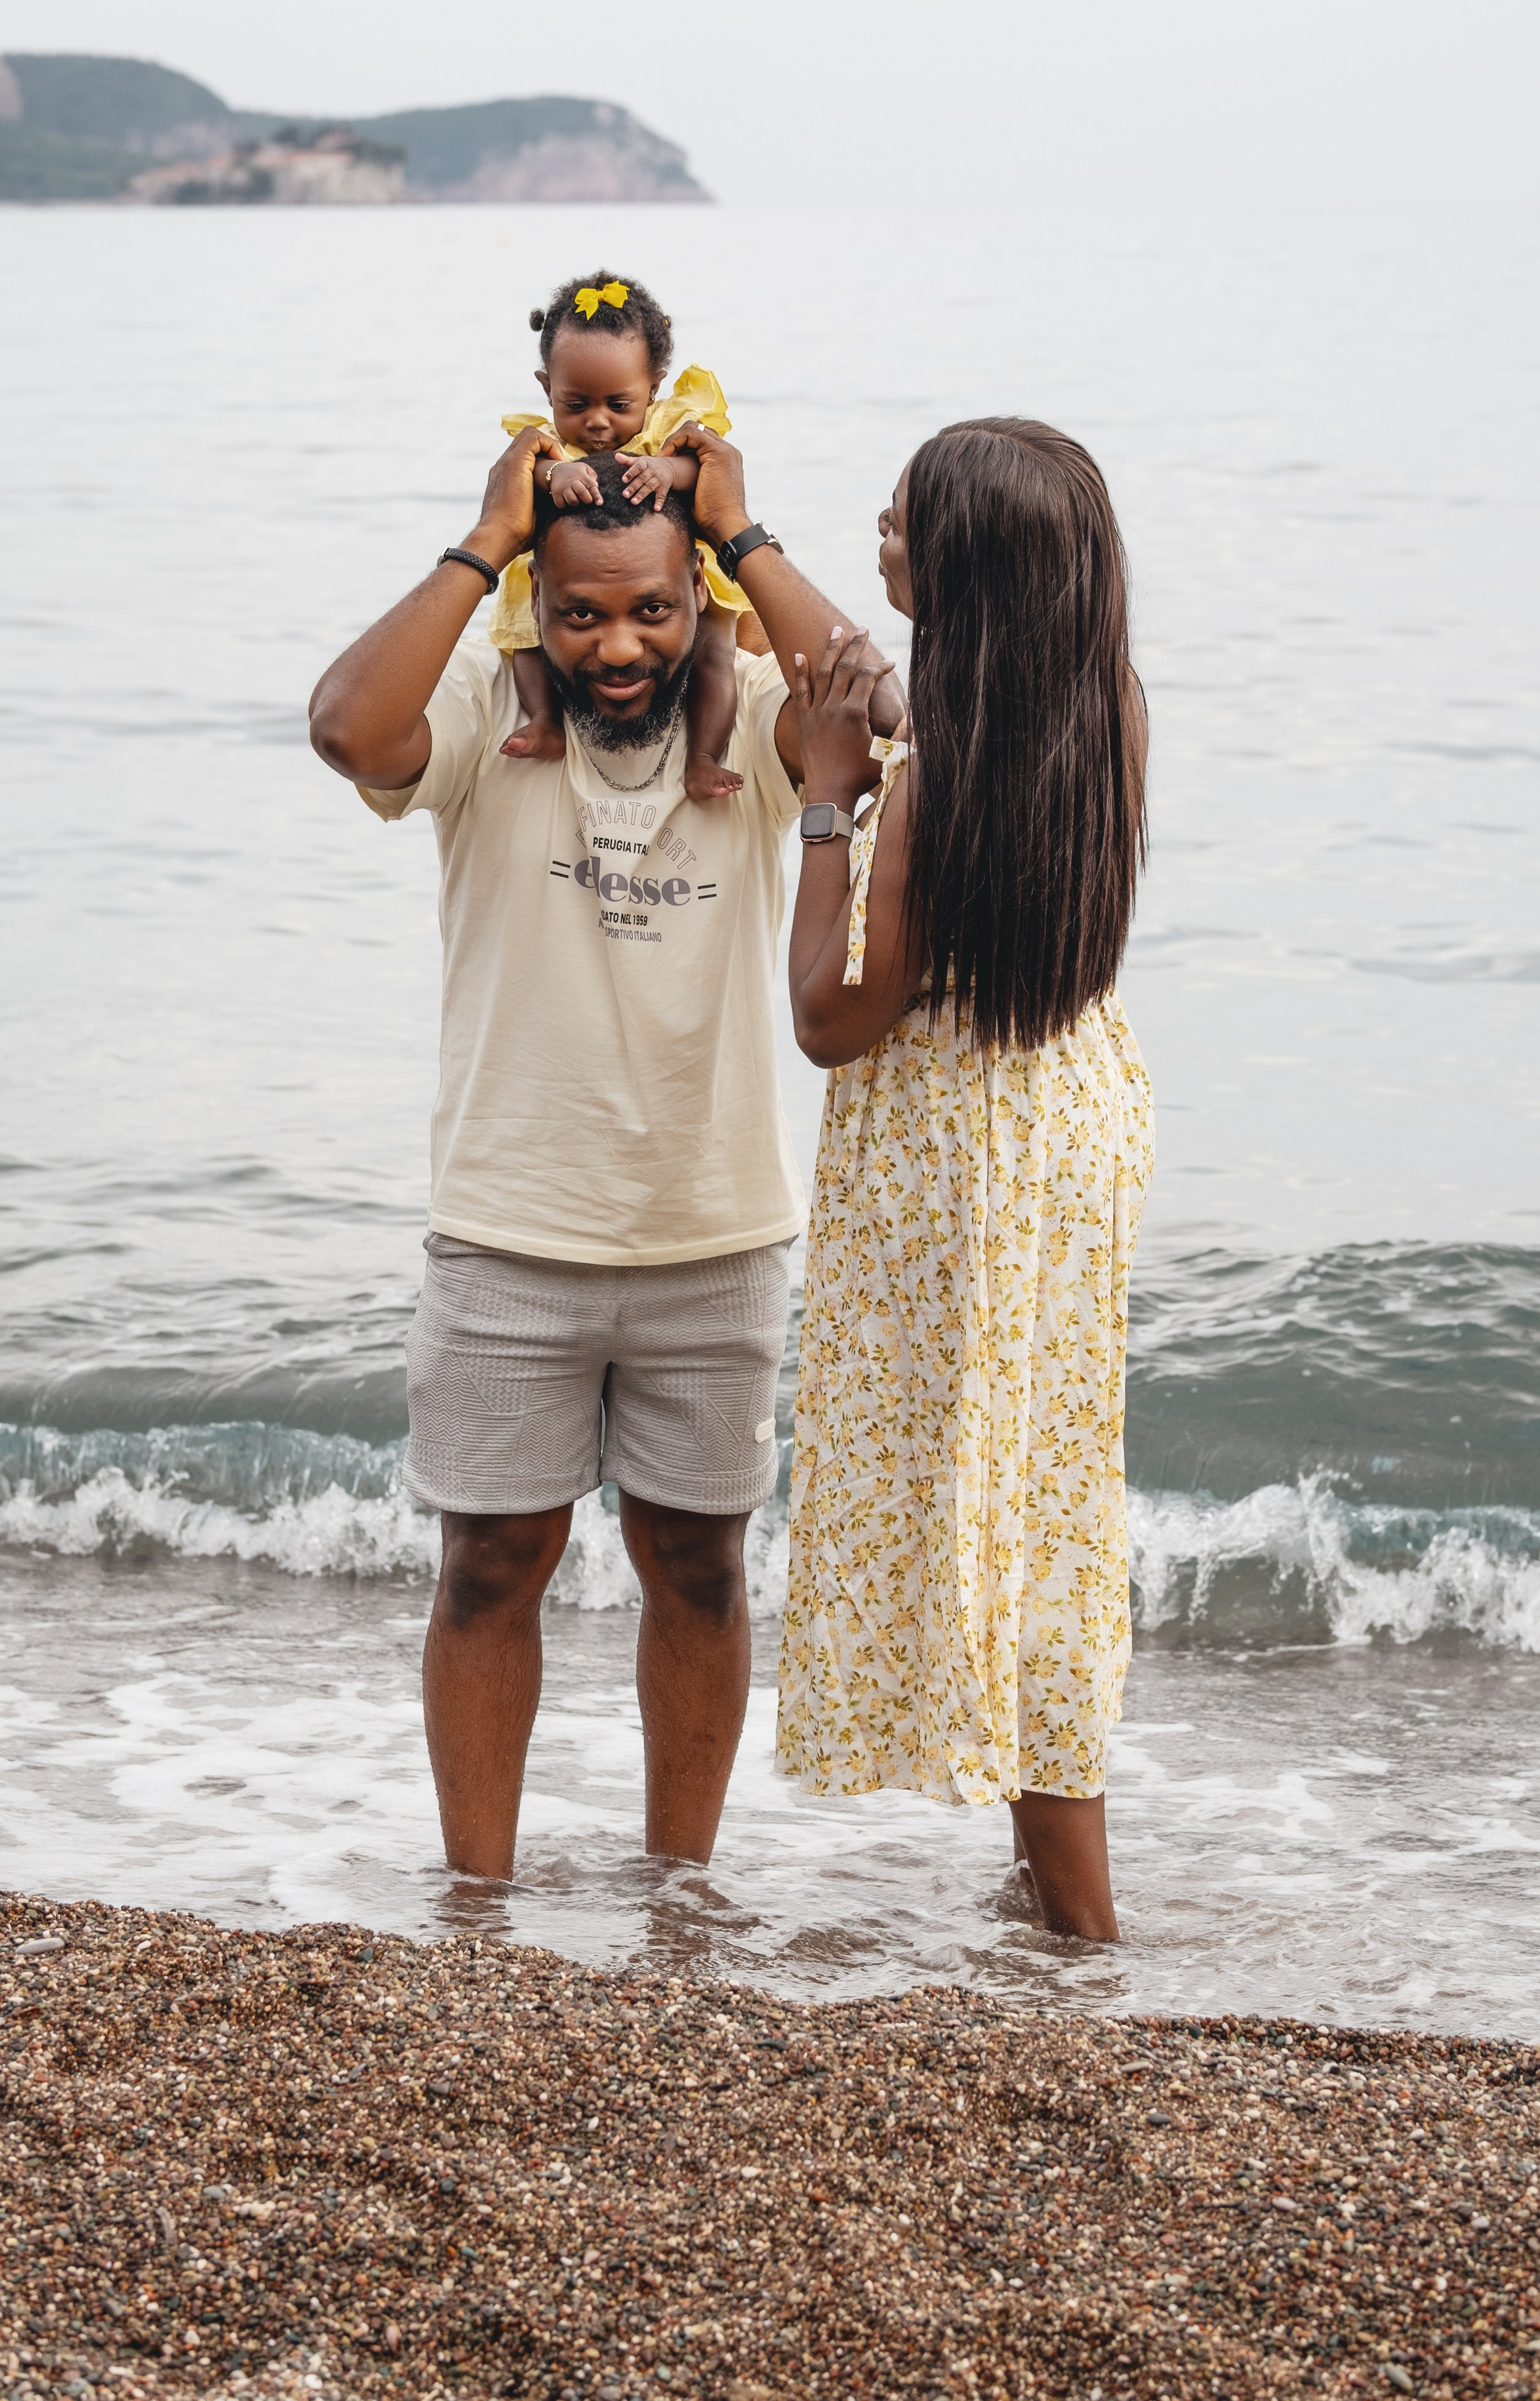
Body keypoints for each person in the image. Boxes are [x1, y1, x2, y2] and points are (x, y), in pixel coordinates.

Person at [306, 423, 899, 1879]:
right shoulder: (476, 711)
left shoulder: (754, 717)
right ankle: (478, 1905)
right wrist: (483, 541)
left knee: (696, 1571)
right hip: (511, 1231)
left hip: (714, 1237)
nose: (618, 645)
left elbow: (878, 709)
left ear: (698, 606)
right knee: (489, 1568)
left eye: (651, 609)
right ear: (535, 609)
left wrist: (743, 535)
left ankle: (678, 1897)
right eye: (580, 612)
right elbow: (343, 727)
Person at [678, 416, 1153, 1942]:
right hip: (1066, 1126)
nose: (876, 525)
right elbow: (885, 681)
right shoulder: (1100, 710)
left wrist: (823, 792)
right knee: (1040, 1496)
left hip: (955, 1151)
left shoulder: (929, 784)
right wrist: (744, 545)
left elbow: (828, 1013)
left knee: (978, 1495)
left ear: (959, 571)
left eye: (900, 518)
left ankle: (1075, 1912)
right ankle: (1053, 1891)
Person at [490, 268, 758, 803]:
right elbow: (521, 485)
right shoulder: (544, 445)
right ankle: (544, 722)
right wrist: (553, 476)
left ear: (653, 387)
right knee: (522, 639)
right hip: (565, 579)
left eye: (618, 404)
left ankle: (704, 756)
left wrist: (668, 472)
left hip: (672, 575)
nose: (596, 422)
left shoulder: (667, 429)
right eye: (575, 404)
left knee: (716, 654)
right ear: (547, 388)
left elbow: (700, 471)